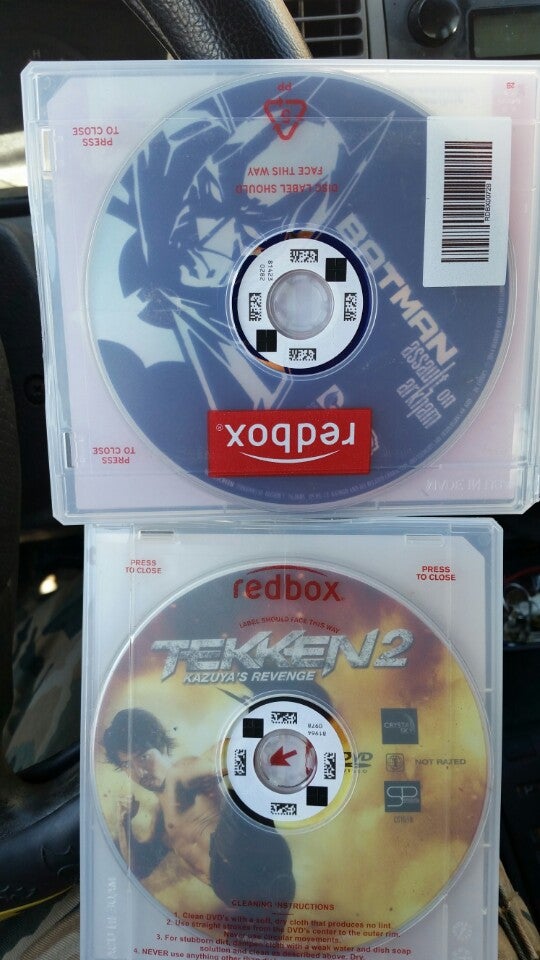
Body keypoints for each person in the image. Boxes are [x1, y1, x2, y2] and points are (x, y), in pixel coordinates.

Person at [102, 708, 295, 941]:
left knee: (238, 792)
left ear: (161, 746)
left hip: (246, 861)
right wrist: (123, 823)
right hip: (247, 893)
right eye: (127, 765)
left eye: (143, 756)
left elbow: (219, 757)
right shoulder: (161, 820)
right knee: (256, 949)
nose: (139, 772)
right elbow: (138, 869)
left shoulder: (180, 773)